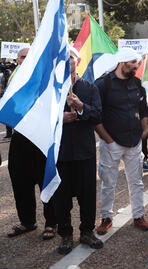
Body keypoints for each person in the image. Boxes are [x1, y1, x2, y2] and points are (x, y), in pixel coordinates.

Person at [94, 48, 148, 235]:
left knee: (136, 181)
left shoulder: (137, 84)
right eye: (134, 63)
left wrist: (145, 131)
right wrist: (108, 140)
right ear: (123, 63)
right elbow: (96, 116)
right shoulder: (103, 84)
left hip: (134, 141)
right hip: (111, 142)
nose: (137, 66)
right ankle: (106, 217)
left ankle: (138, 215)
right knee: (108, 182)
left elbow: (143, 111)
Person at [53, 47, 104, 254]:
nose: (67, 62)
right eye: (63, 58)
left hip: (84, 150)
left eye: (71, 58)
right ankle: (65, 234)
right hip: (61, 151)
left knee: (87, 194)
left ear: (78, 60)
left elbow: (98, 116)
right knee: (62, 195)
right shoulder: (52, 88)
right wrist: (60, 119)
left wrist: (81, 106)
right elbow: (42, 116)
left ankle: (87, 231)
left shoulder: (89, 88)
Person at [6, 47, 57, 240]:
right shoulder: (13, 80)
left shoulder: (43, 79)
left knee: (45, 179)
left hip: (40, 138)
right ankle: (27, 221)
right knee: (20, 181)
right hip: (20, 138)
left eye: (28, 57)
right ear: (17, 60)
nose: (24, 60)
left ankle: (51, 222)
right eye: (22, 57)